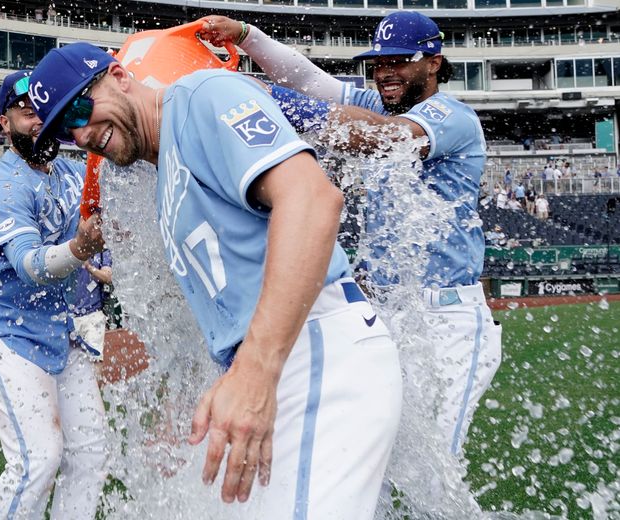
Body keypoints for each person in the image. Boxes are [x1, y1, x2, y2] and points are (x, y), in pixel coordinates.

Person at [30, 43, 401, 518]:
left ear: (120, 76)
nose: (80, 133)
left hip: (316, 354)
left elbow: (312, 200)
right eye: (65, 129)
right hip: (274, 364)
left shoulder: (204, 94)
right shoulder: (165, 168)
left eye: (80, 106)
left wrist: (255, 373)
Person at [199, 11, 501, 458]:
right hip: (390, 312)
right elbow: (306, 78)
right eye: (378, 64)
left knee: (432, 467)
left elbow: (385, 139)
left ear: (433, 62)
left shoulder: (451, 114)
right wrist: (247, 36)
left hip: (448, 321)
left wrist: (276, 101)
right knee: (375, 460)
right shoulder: (378, 104)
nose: (384, 73)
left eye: (398, 61)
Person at [0, 70, 108, 519]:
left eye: (40, 111)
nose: (35, 119)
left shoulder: (68, 170)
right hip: (7, 332)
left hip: (59, 330)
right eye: (23, 111)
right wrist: (81, 248)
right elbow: (30, 266)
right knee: (37, 460)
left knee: (91, 455)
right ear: (4, 124)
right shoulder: (4, 186)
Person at [72, 248, 113, 360]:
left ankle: (96, 378)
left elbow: (107, 277)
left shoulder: (102, 251)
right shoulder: (67, 244)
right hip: (68, 317)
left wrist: (89, 267)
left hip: (93, 315)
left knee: (96, 358)